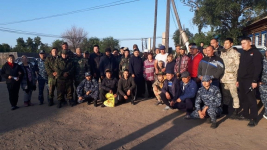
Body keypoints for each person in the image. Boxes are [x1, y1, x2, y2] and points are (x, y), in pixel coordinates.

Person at [236, 37, 263, 127]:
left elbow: (258, 68)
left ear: (249, 43)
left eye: (244, 43)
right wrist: (238, 80)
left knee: (251, 99)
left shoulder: (256, 53)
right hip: (242, 80)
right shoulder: (243, 54)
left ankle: (253, 118)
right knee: (243, 99)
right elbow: (240, 68)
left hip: (250, 80)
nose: (242, 45)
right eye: (241, 43)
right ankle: (246, 114)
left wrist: (255, 80)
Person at [220, 38, 240, 117]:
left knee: (234, 94)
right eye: (224, 43)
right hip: (223, 78)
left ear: (231, 44)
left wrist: (237, 79)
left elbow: (238, 67)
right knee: (225, 94)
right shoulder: (223, 53)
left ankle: (236, 110)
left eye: (227, 43)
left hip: (232, 78)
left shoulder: (236, 53)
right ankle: (225, 109)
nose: (225, 45)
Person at [259, 50, 267, 120]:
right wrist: (259, 81)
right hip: (263, 84)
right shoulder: (261, 61)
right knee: (265, 99)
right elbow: (257, 71)